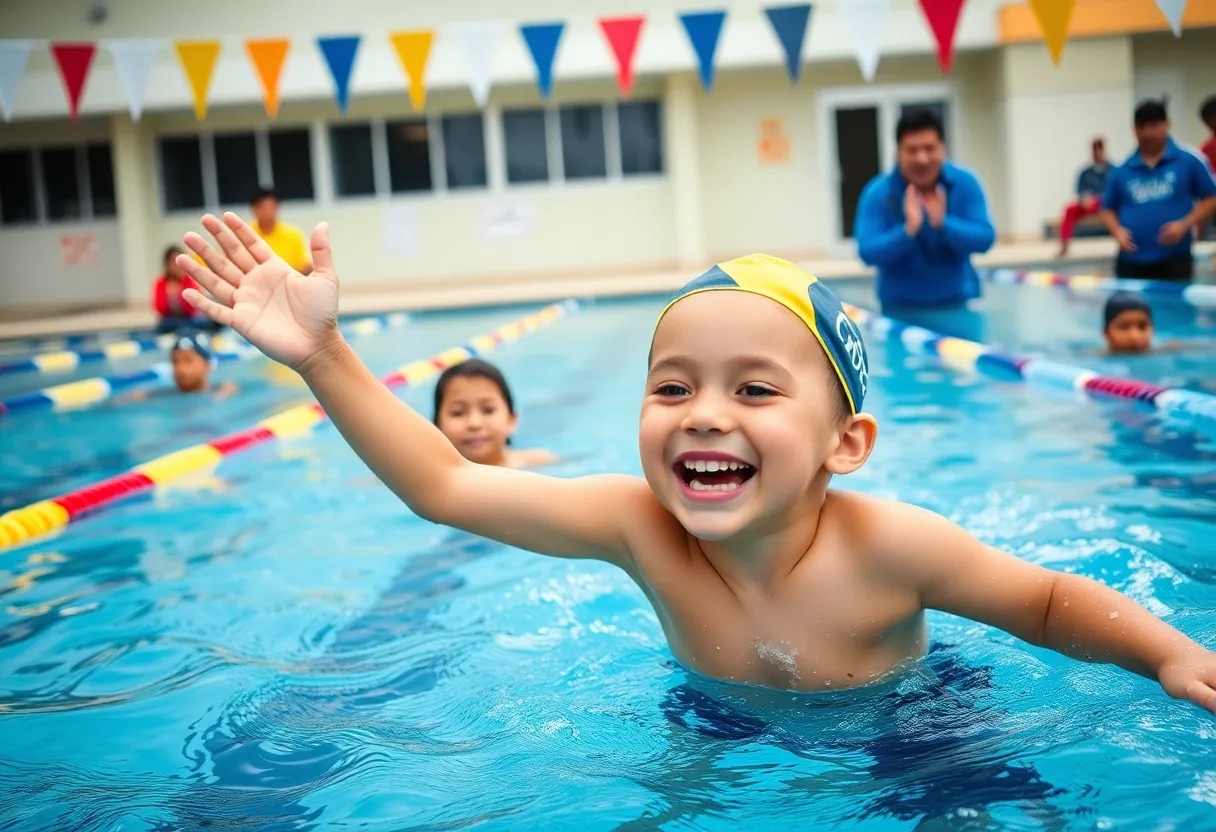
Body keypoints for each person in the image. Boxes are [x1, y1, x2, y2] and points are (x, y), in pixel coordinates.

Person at [178, 213, 1216, 713]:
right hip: (716, 718)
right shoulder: (642, 530)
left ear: (843, 445)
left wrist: (1169, 654)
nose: (701, 416)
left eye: (754, 390)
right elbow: (442, 484)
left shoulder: (890, 546)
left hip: (910, 722)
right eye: (671, 387)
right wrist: (324, 355)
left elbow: (1040, 604)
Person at [854, 108, 996, 342]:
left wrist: (944, 224)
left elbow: (985, 238)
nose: (922, 159)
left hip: (958, 307)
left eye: (929, 149)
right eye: (912, 150)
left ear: (943, 149)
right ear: (897, 154)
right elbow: (867, 252)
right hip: (899, 312)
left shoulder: (965, 184)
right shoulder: (878, 193)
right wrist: (908, 230)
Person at [1099, 100, 1216, 282]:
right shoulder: (1122, 170)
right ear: (1134, 129)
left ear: (1166, 124)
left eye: (1153, 125)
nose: (1147, 132)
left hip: (1175, 260)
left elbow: (1211, 198)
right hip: (1131, 261)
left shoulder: (1189, 161)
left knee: (1174, 310)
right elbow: (1106, 208)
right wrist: (1117, 231)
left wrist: (1185, 225)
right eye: (1142, 126)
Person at [433, 358, 558, 469]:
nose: (474, 423)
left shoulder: (538, 463)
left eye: (488, 410)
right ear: (436, 426)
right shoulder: (430, 480)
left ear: (511, 420)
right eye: (458, 413)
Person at [1056, 138, 1111, 257]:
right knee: (1069, 209)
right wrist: (1085, 198)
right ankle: (1064, 246)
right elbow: (1080, 191)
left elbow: (1113, 191)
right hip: (1086, 204)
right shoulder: (1085, 172)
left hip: (1104, 203)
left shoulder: (1112, 170)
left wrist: (1097, 198)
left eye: (1099, 150)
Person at [250, 186, 312, 275]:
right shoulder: (246, 234)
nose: (268, 212)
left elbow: (303, 267)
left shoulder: (293, 234)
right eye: (263, 208)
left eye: (271, 207)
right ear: (254, 209)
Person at [152, 245, 213, 334]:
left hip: (189, 320)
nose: (177, 266)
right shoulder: (161, 283)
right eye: (173, 261)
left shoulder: (188, 281)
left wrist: (179, 296)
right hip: (169, 322)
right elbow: (160, 308)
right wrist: (170, 297)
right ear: (167, 264)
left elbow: (193, 308)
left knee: (203, 323)